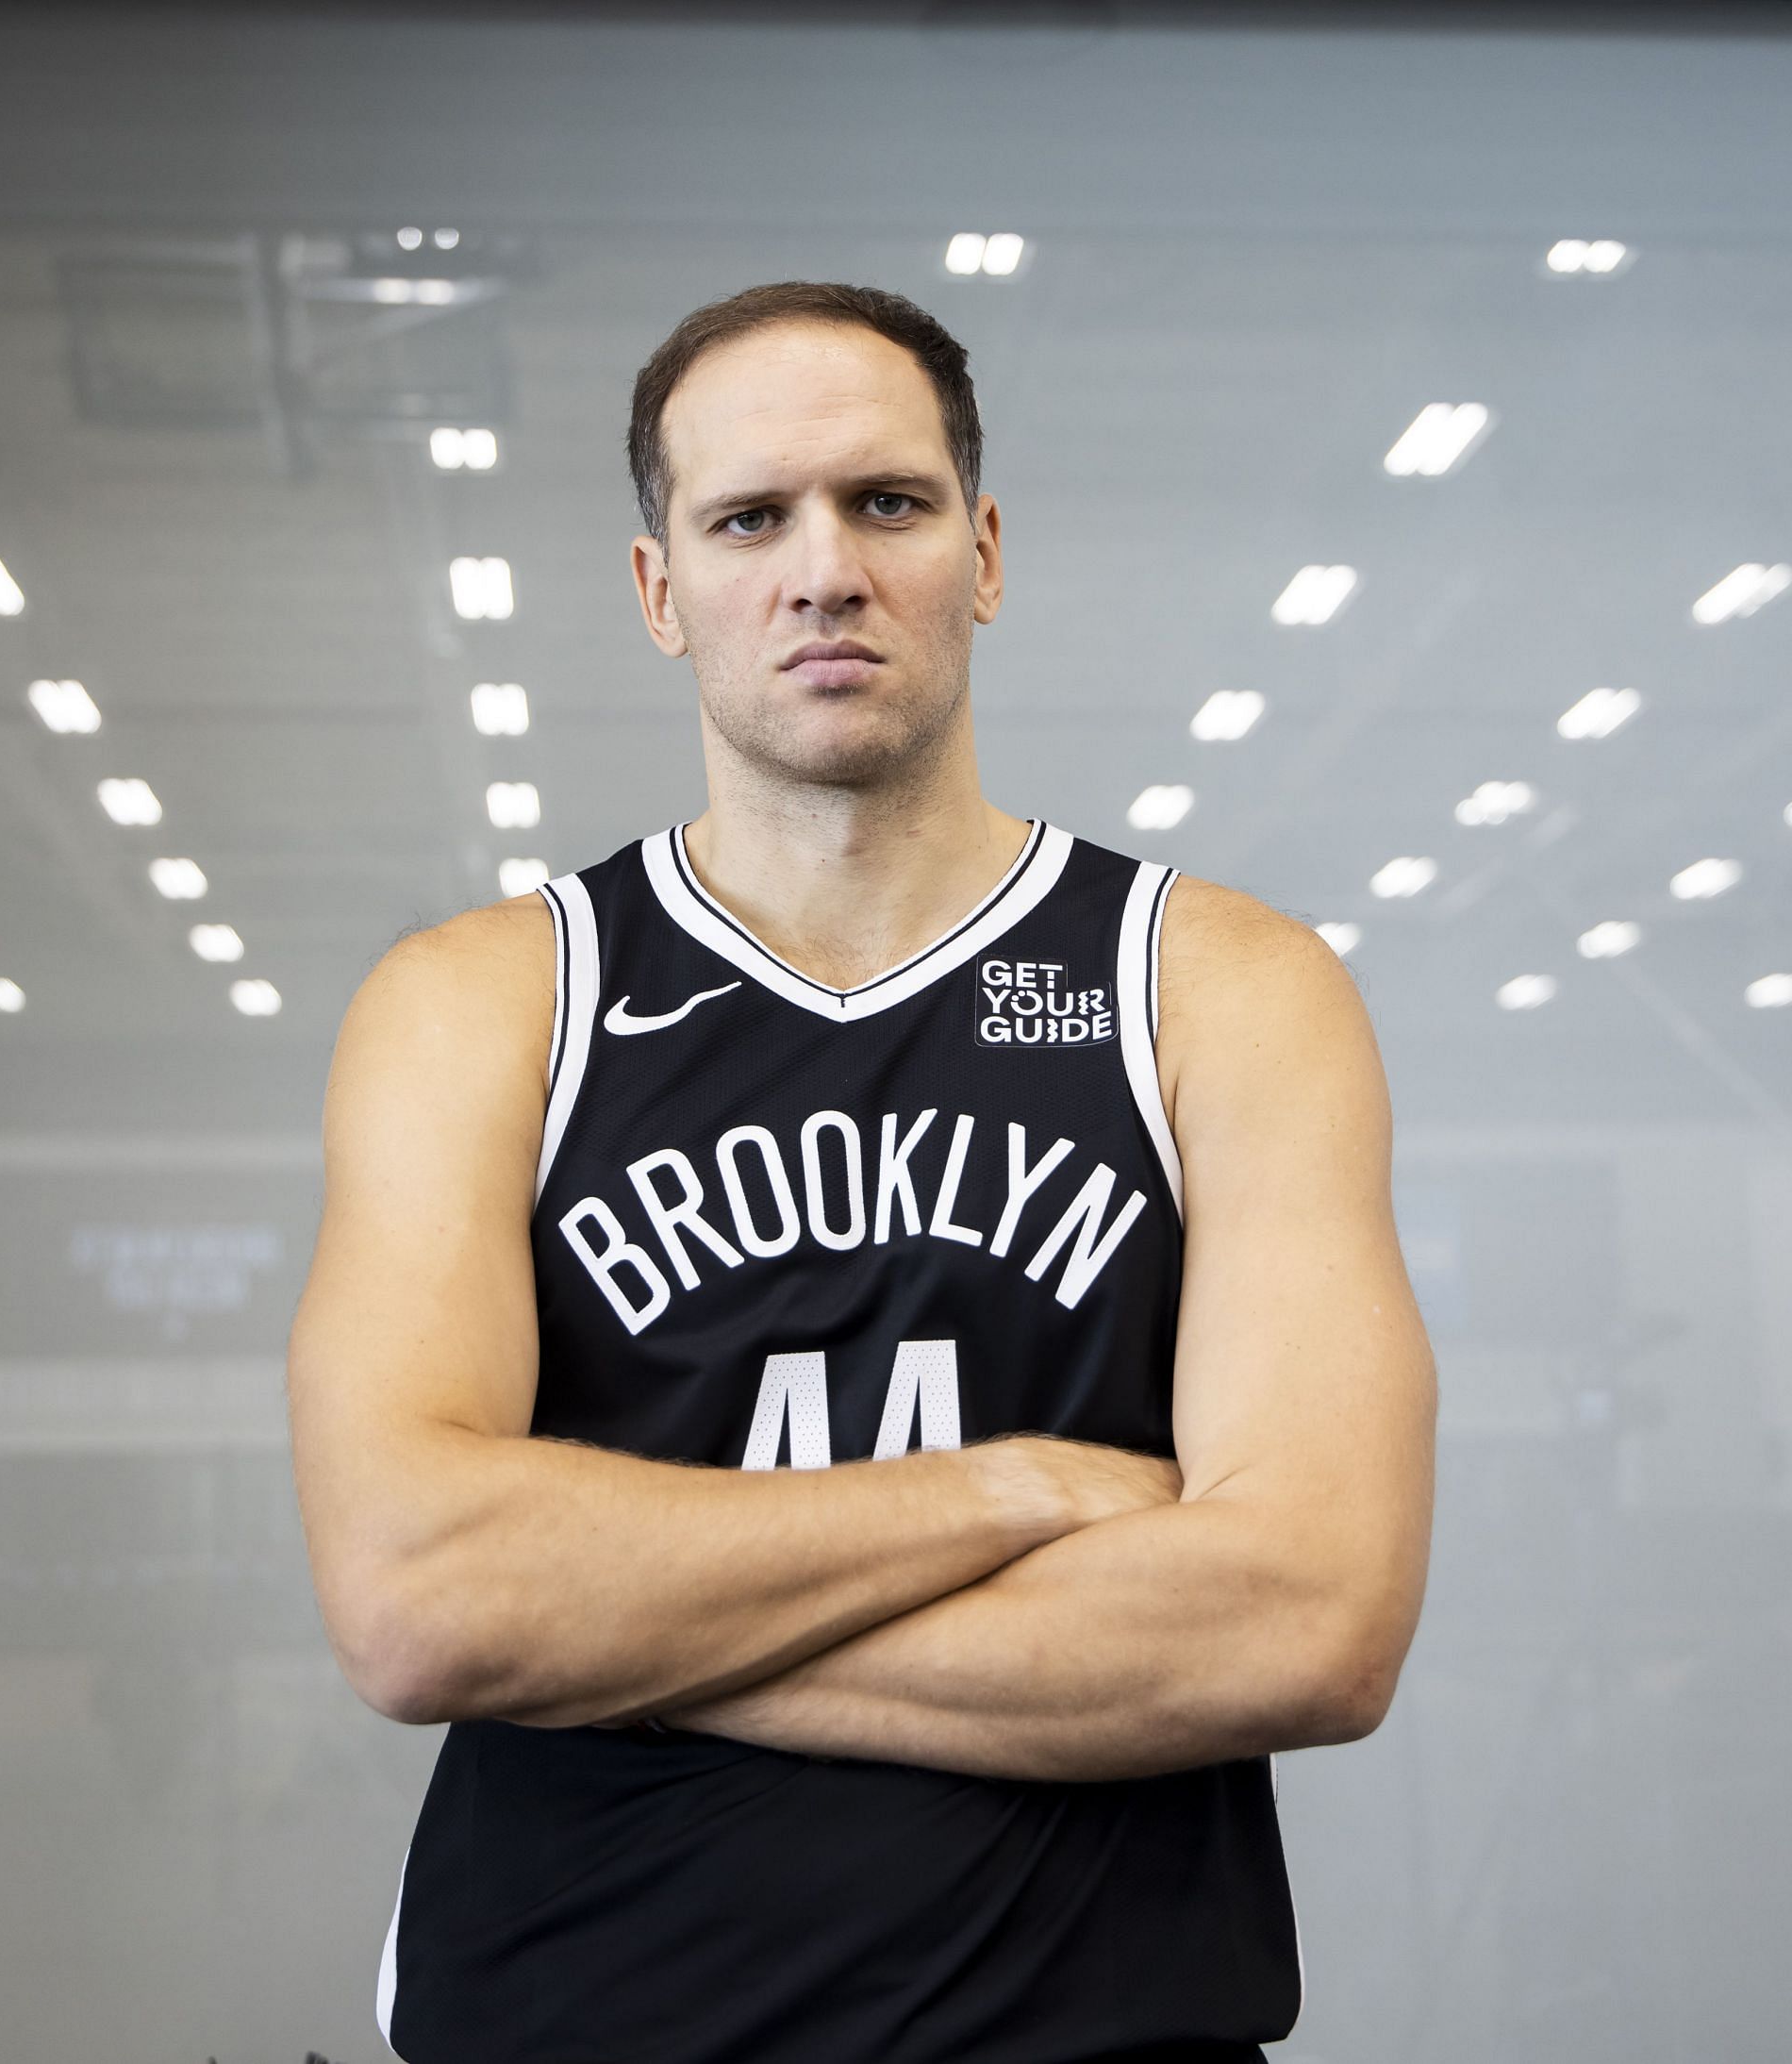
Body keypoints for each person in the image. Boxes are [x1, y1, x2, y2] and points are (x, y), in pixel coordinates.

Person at [286, 280, 1437, 2063]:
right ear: (664, 591)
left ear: (982, 550)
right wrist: (1017, 1495)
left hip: (1096, 2031)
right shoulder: (485, 1005)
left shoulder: (1213, 986)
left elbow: (1309, 1621)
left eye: (885, 504)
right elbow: (422, 1598)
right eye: (750, 517)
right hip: (569, 2017)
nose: (823, 568)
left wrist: (617, 1632)